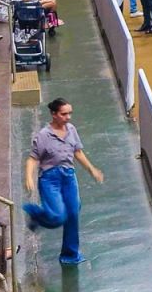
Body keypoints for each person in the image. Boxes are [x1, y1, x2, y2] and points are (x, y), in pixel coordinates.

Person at [23, 98, 105, 264]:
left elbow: (78, 152)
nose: (68, 117)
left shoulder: (71, 130)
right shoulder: (44, 136)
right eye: (64, 114)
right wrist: (28, 177)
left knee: (73, 213)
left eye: (69, 113)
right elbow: (32, 159)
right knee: (58, 216)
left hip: (68, 176)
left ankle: (70, 255)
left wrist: (92, 170)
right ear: (54, 114)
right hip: (49, 179)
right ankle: (36, 215)